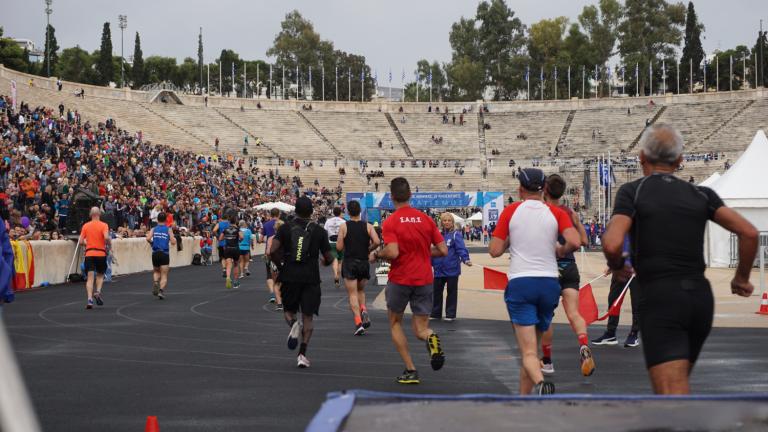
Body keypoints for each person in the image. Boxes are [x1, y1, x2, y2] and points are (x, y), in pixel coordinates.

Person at [602, 124, 758, 395]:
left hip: (662, 298)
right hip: (699, 298)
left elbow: (612, 242)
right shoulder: (702, 194)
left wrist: (618, 267)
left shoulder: (633, 192)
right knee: (677, 384)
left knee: (671, 397)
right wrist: (740, 278)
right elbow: (749, 232)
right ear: (680, 160)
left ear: (641, 157)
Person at [489, 168, 580, 395]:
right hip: (549, 283)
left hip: (522, 282)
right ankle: (524, 400)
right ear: (544, 189)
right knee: (534, 350)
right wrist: (561, 249)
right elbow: (576, 241)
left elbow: (494, 250)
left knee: (528, 353)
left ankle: (541, 384)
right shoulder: (555, 212)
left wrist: (512, 237)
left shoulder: (511, 211)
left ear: (520, 190)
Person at [374, 177, 447, 385]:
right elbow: (443, 250)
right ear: (411, 196)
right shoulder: (426, 219)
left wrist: (378, 255)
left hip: (400, 279)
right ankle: (431, 339)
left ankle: (411, 369)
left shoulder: (391, 221)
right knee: (421, 329)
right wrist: (423, 252)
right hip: (424, 278)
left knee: (395, 322)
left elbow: (393, 252)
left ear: (391, 197)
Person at [538, 174, 595, 377]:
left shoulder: (543, 211)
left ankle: (547, 361)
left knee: (546, 317)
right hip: (570, 266)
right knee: (573, 313)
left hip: (550, 268)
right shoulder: (570, 213)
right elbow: (584, 240)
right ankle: (583, 345)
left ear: (545, 189)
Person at [269, 197, 334, 368]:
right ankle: (302, 354)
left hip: (289, 275)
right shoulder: (319, 231)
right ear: (312, 212)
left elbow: (272, 251)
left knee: (289, 312)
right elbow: (329, 257)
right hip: (310, 277)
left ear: (295, 211)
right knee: (308, 317)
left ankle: (293, 324)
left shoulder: (285, 228)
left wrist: (281, 266)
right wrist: (325, 262)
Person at [336, 200, 380, 335]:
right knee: (361, 291)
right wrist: (368, 249)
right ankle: (364, 309)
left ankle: (358, 322)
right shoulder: (368, 226)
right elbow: (377, 241)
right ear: (360, 211)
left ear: (348, 212)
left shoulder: (344, 226)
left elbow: (339, 247)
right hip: (363, 262)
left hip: (350, 262)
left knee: (352, 294)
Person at [592, 236, 640, 347]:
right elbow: (618, 246)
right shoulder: (622, 224)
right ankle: (610, 333)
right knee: (613, 300)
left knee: (636, 303)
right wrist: (611, 265)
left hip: (637, 271)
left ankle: (634, 333)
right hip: (620, 268)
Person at [430, 213, 472, 322]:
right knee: (436, 292)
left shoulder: (455, 234)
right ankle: (435, 313)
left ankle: (450, 314)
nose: (447, 222)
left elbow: (461, 248)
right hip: (439, 269)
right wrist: (428, 263)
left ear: (452, 222)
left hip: (452, 270)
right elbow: (431, 251)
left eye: (449, 220)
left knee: (452, 292)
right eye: (445, 220)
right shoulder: (436, 235)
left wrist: (465, 259)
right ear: (441, 222)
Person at [80, 207, 111, 310]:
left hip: (89, 253)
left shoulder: (86, 226)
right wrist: (108, 244)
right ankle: (97, 292)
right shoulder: (104, 225)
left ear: (90, 214)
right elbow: (106, 237)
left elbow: (80, 242)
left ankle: (89, 299)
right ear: (99, 214)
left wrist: (87, 243)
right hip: (100, 253)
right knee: (100, 275)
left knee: (90, 278)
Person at [146, 212, 176, 300]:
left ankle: (156, 282)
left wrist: (152, 243)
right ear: (166, 220)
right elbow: (173, 242)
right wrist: (172, 239)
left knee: (156, 271)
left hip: (155, 253)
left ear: (157, 219)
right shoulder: (168, 229)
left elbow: (148, 238)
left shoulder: (154, 229)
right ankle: (161, 291)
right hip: (164, 253)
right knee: (164, 274)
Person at [262, 208, 281, 303]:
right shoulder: (282, 224)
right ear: (279, 214)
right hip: (281, 252)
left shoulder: (266, 224)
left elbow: (261, 238)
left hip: (269, 250)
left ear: (270, 214)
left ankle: (272, 293)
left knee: (269, 273)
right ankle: (279, 292)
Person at [219, 211, 242, 289]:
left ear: (229, 221)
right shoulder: (237, 229)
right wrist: (238, 239)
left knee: (228, 264)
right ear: (235, 221)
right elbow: (241, 237)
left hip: (227, 248)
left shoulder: (225, 229)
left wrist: (227, 237)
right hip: (235, 248)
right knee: (236, 264)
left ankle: (228, 277)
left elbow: (220, 238)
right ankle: (236, 282)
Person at [324, 207, 345, 288]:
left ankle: (335, 274)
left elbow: (325, 231)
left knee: (334, 260)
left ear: (333, 212)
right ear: (340, 213)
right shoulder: (343, 221)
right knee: (340, 261)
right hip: (340, 242)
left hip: (331, 242)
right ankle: (338, 277)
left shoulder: (328, 221)